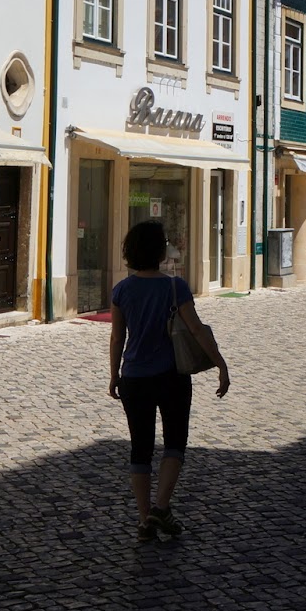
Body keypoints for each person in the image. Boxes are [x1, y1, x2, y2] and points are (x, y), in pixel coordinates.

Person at [109, 221, 229, 543]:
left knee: (140, 449)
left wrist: (114, 374)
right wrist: (220, 364)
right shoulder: (175, 288)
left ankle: (143, 518)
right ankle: (161, 507)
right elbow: (196, 330)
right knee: (175, 443)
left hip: (134, 378)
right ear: (160, 251)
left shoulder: (121, 290)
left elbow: (117, 336)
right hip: (171, 377)